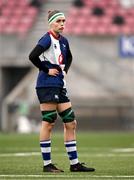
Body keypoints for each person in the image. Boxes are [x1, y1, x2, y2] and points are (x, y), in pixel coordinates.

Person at [29, 10, 95, 173]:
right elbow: (32, 56)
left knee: (71, 122)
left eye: (64, 21)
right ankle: (47, 165)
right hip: (47, 85)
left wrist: (65, 71)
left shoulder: (64, 41)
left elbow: (69, 58)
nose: (62, 24)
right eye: (58, 21)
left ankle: (75, 164)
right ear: (51, 23)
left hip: (59, 85)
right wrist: (46, 69)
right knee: (49, 122)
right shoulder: (46, 39)